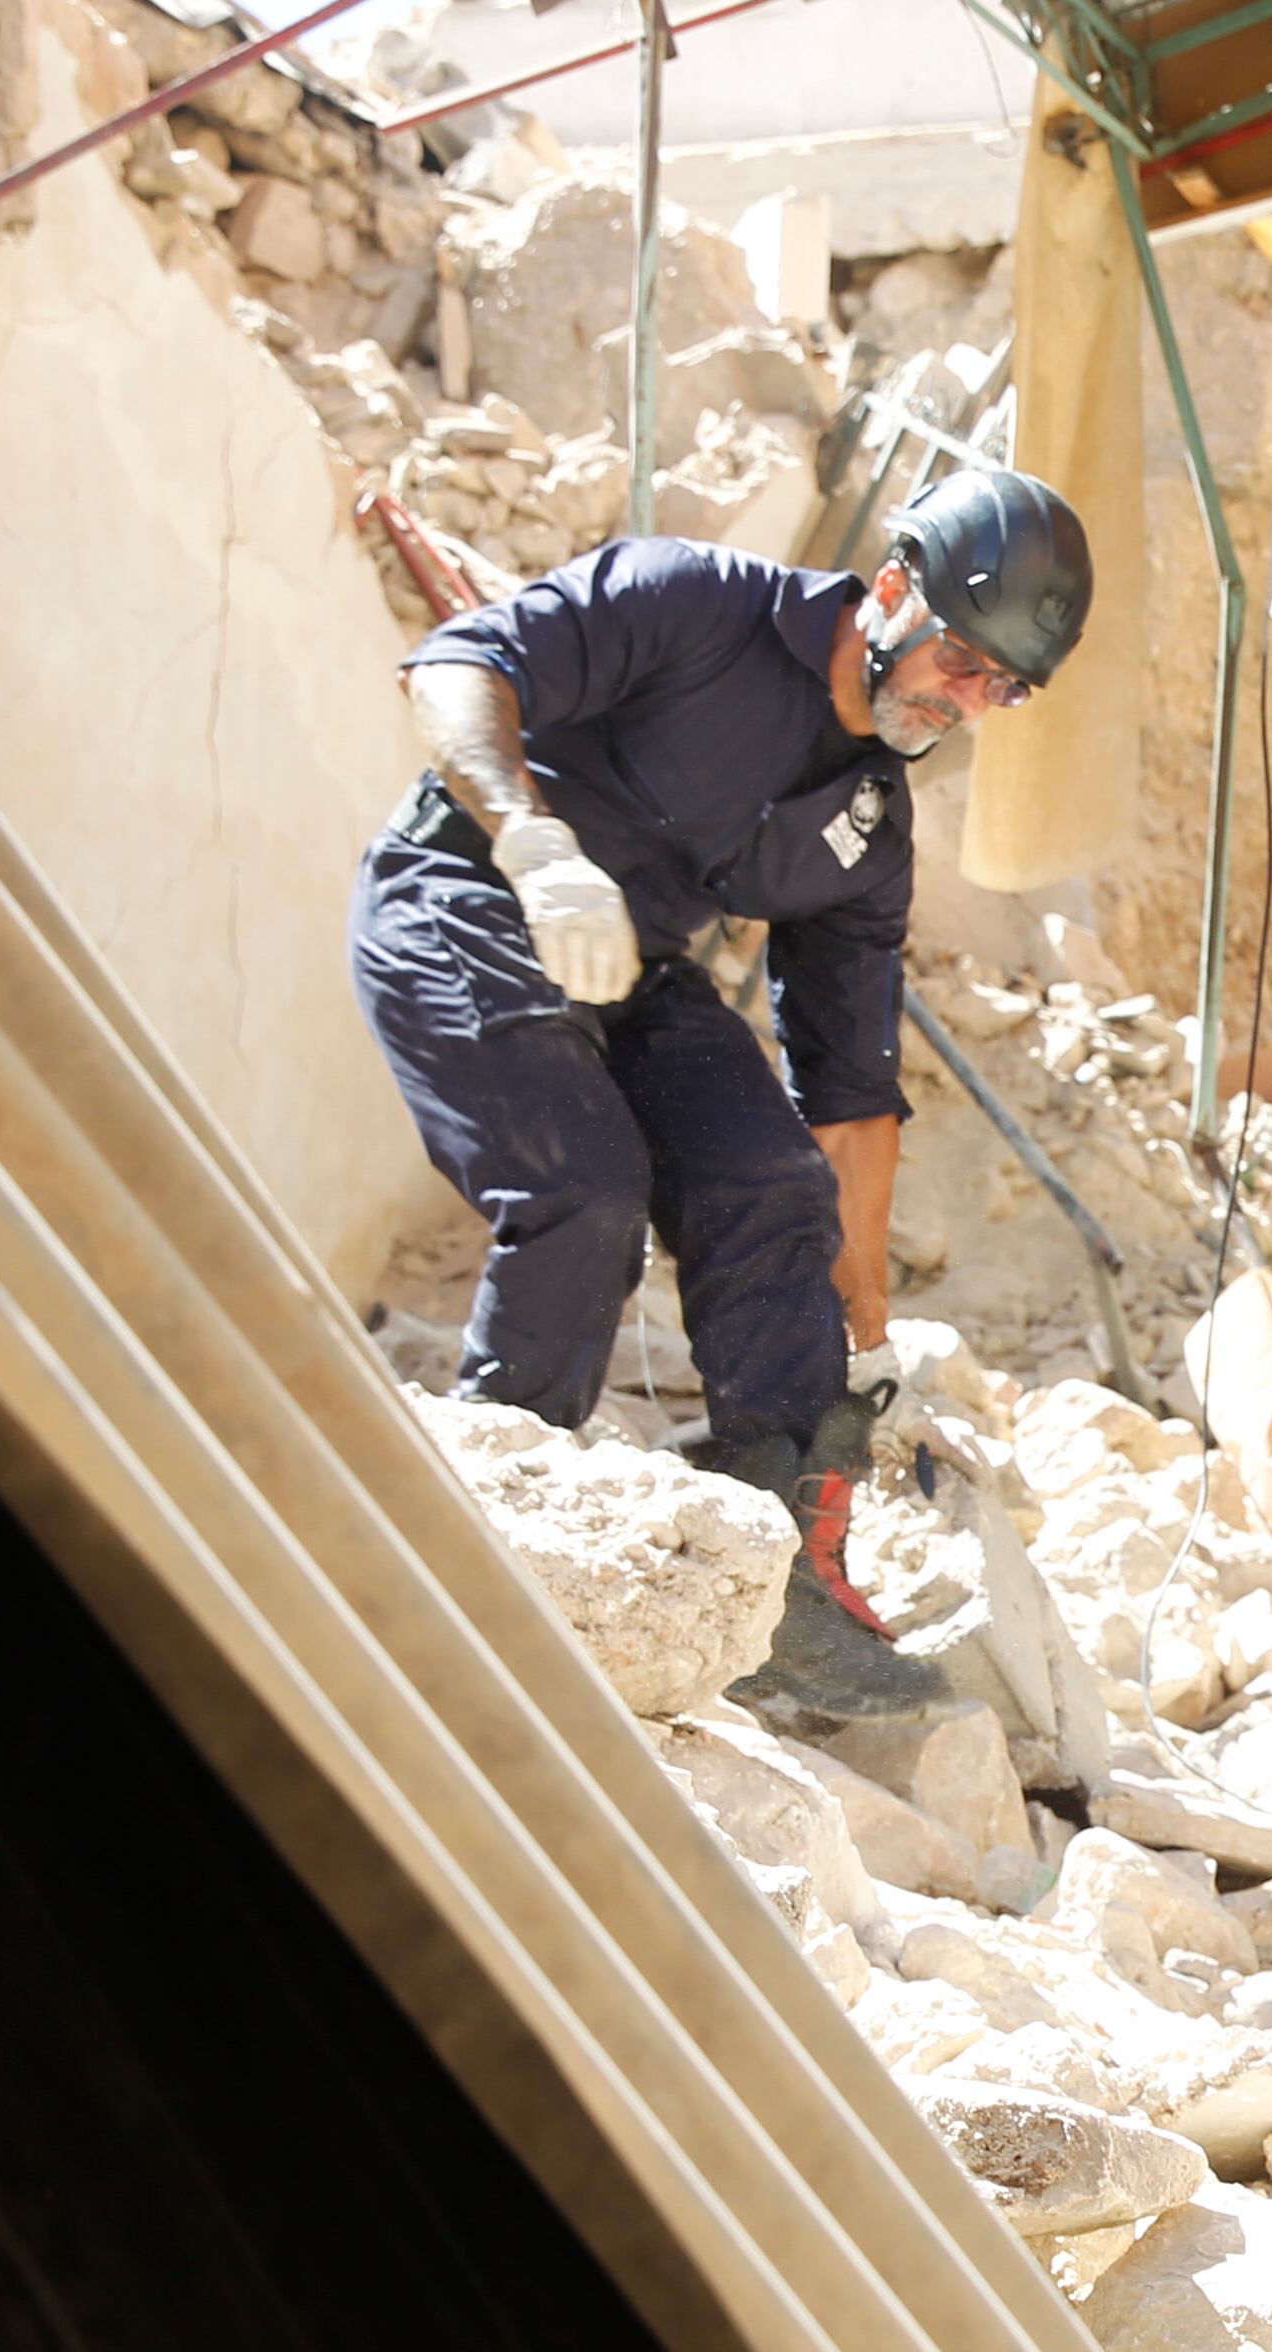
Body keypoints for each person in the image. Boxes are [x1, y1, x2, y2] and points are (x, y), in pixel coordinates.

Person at [350, 465, 1091, 1720]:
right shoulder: (693, 602)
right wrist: (531, 838)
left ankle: (781, 1586)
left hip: (628, 965)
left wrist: (864, 1328)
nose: (971, 704)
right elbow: (458, 665)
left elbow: (851, 1096)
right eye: (963, 664)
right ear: (895, 591)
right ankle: (467, 1532)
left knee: (767, 1178)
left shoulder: (868, 824)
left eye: (1004, 688)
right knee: (584, 1190)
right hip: (468, 891)